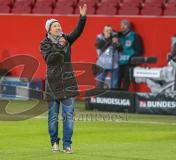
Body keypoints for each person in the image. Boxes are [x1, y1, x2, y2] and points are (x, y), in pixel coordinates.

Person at [40, 4, 87, 154]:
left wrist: (83, 17)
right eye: (55, 26)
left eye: (59, 25)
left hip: (68, 83)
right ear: (49, 29)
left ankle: (67, 145)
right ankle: (54, 142)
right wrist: (60, 46)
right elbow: (50, 60)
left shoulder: (66, 39)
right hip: (53, 85)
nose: (59, 27)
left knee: (69, 118)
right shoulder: (44, 44)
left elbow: (77, 32)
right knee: (53, 118)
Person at [118, 19, 143, 91]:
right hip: (119, 62)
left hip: (129, 63)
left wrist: (131, 59)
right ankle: (116, 96)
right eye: (121, 25)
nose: (122, 27)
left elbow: (139, 50)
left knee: (126, 80)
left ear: (128, 26)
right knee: (117, 80)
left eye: (124, 25)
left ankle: (123, 96)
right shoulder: (119, 36)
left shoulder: (134, 36)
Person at [95, 25, 122, 89]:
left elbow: (121, 49)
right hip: (102, 64)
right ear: (103, 31)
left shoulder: (115, 38)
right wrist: (106, 39)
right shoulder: (99, 37)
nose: (108, 32)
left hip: (113, 64)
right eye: (107, 30)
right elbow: (98, 47)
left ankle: (113, 97)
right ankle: (98, 98)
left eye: (110, 30)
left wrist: (117, 43)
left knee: (114, 84)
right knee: (99, 83)